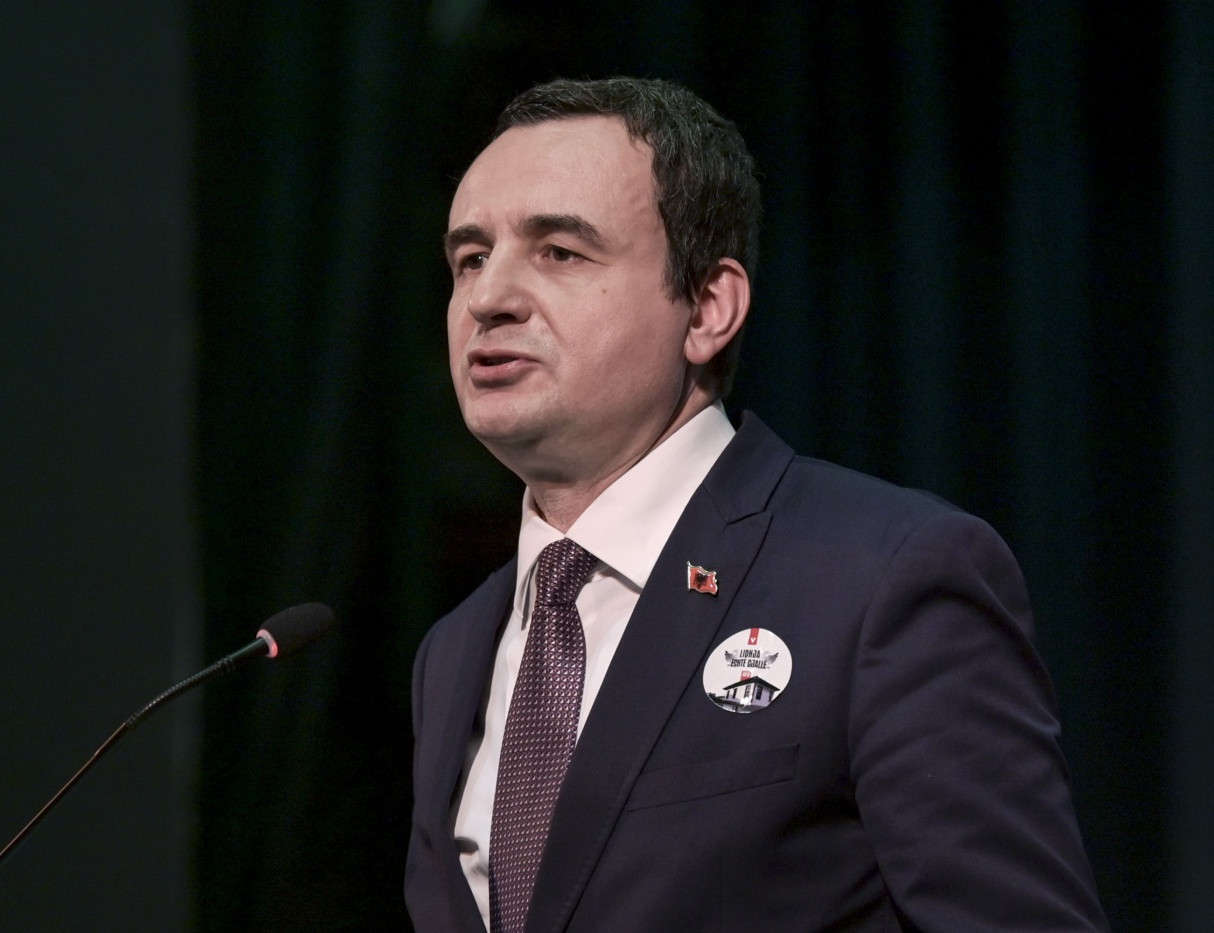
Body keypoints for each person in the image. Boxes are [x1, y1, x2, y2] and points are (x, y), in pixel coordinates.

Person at [406, 76, 1107, 933]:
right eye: (470, 259)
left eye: (560, 251)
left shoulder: (881, 579)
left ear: (708, 308)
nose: (488, 298)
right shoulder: (454, 652)